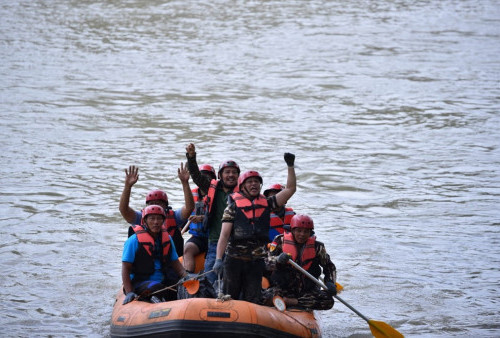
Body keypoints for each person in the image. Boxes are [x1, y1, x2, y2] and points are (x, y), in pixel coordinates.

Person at [213, 153, 296, 304]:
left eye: (257, 182)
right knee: (229, 298)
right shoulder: (232, 207)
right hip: (234, 260)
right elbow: (224, 236)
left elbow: (290, 189)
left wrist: (290, 166)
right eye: (250, 182)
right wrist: (218, 259)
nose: (254, 185)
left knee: (253, 299)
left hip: (256, 261)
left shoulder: (268, 203)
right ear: (243, 186)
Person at [185, 143, 240, 285]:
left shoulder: (244, 192)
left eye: (234, 172)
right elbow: (196, 176)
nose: (231, 175)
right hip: (215, 241)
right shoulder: (212, 187)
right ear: (220, 175)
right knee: (211, 277)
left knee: (235, 281)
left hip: (238, 243)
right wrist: (191, 157)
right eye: (227, 172)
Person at [263, 214, 337, 310]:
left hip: (307, 291)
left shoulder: (318, 247)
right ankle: (287, 301)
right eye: (299, 231)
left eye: (306, 231)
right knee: (262, 297)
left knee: (328, 301)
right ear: (292, 230)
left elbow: (329, 266)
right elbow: (266, 262)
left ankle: (291, 302)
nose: (302, 234)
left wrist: (330, 282)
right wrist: (277, 260)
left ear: (310, 232)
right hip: (283, 288)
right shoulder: (279, 241)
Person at [119, 164, 194, 257]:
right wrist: (127, 186)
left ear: (166, 206)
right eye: (152, 203)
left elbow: (189, 208)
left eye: (159, 203)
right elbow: (124, 210)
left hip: (169, 260)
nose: (155, 206)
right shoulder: (140, 218)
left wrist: (185, 183)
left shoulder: (174, 217)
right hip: (146, 262)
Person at [122, 205, 188, 305]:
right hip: (140, 283)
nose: (156, 222)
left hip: (163, 281)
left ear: (163, 221)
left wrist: (187, 277)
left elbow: (176, 265)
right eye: (152, 219)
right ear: (145, 221)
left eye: (159, 218)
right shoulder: (133, 241)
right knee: (157, 288)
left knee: (183, 286)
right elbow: (125, 268)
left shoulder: (168, 239)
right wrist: (129, 292)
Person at [182, 164, 216, 273]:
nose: (204, 179)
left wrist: (202, 218)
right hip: (198, 237)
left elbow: (221, 216)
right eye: (202, 176)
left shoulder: (218, 195)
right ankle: (188, 278)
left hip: (214, 236)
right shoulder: (192, 194)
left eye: (208, 176)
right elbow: (186, 213)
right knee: (187, 249)